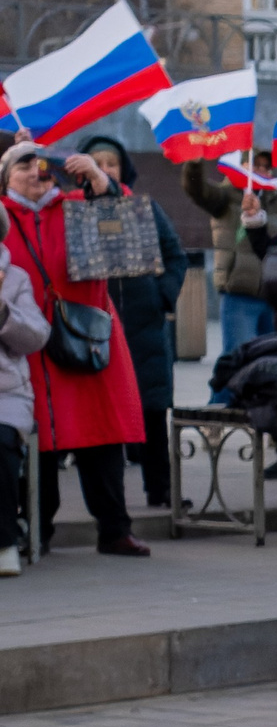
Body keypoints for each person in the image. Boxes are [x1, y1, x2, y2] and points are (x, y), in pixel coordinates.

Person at [0, 142, 148, 556]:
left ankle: (115, 529)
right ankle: (37, 530)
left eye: (41, 162)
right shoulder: (1, 217)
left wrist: (102, 183)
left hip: (85, 336)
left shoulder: (80, 205)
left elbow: (127, 240)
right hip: (24, 340)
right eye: (23, 164)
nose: (36, 170)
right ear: (5, 177)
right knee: (37, 439)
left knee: (101, 436)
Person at [84, 136, 187, 512]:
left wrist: (161, 296)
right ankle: (108, 504)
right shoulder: (76, 210)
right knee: (103, 414)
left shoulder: (145, 208)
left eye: (110, 163)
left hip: (145, 326)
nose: (105, 170)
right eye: (97, 163)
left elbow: (175, 255)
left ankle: (159, 490)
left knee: (153, 407)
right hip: (94, 326)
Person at [0, 199, 50, 575]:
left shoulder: (15, 279)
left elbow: (36, 336)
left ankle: (3, 544)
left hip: (6, 393)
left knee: (0, 444)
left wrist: (3, 311)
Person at [181, 155, 273, 356]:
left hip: (274, 294)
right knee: (236, 361)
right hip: (239, 293)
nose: (261, 171)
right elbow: (197, 190)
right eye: (255, 165)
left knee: (273, 363)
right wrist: (195, 164)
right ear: (242, 166)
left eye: (266, 167)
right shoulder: (226, 196)